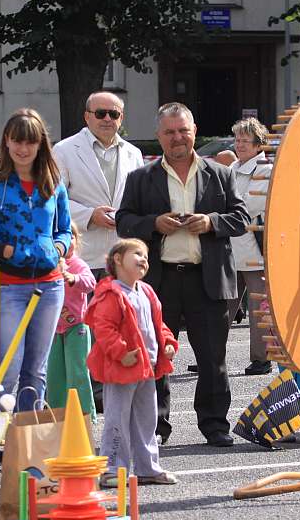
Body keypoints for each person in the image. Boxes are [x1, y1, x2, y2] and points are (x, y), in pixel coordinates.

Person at [116, 102, 250, 447]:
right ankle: (155, 427)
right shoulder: (141, 178)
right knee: (157, 355)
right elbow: (123, 222)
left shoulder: (221, 174)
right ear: (159, 136)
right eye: (170, 132)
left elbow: (240, 218)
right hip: (159, 282)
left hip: (207, 278)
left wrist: (211, 222)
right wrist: (153, 224)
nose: (178, 138)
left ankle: (215, 424)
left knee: (213, 358)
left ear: (194, 131)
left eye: (183, 131)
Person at [0, 109, 71, 411]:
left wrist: (59, 249)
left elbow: (65, 229)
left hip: (50, 285)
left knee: (37, 370)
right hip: (6, 285)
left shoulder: (53, 182)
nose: (23, 150)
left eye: (30, 142)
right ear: (6, 142)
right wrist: (0, 250)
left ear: (41, 145)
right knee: (7, 366)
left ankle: (27, 436)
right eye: (17, 142)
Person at [53, 91, 146, 414]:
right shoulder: (64, 151)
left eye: (114, 114)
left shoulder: (134, 153)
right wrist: (88, 215)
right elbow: (56, 198)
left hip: (122, 255)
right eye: (101, 113)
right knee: (88, 329)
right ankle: (93, 392)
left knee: (120, 325)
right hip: (86, 254)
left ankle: (115, 387)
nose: (108, 119)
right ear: (87, 116)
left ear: (122, 118)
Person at [86, 239, 178, 486]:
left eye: (146, 256)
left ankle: (148, 467)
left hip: (146, 367)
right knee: (117, 419)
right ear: (117, 259)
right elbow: (104, 328)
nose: (144, 260)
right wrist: (120, 352)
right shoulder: (111, 292)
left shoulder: (146, 291)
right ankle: (112, 468)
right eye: (137, 254)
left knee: (147, 419)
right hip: (121, 368)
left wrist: (168, 342)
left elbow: (158, 324)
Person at [222, 117, 274, 376]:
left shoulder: (265, 168)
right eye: (237, 139)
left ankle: (262, 359)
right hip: (230, 247)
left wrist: (225, 213)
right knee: (223, 305)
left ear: (258, 145)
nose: (239, 144)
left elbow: (252, 206)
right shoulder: (232, 166)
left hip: (254, 249)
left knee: (258, 307)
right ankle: (213, 356)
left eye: (245, 141)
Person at [46, 223, 97, 418]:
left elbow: (90, 282)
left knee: (78, 372)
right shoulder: (48, 264)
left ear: (76, 241)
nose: (66, 243)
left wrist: (73, 278)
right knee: (55, 375)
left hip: (77, 327)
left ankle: (84, 415)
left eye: (71, 237)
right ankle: (57, 415)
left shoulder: (77, 264)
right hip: (53, 327)